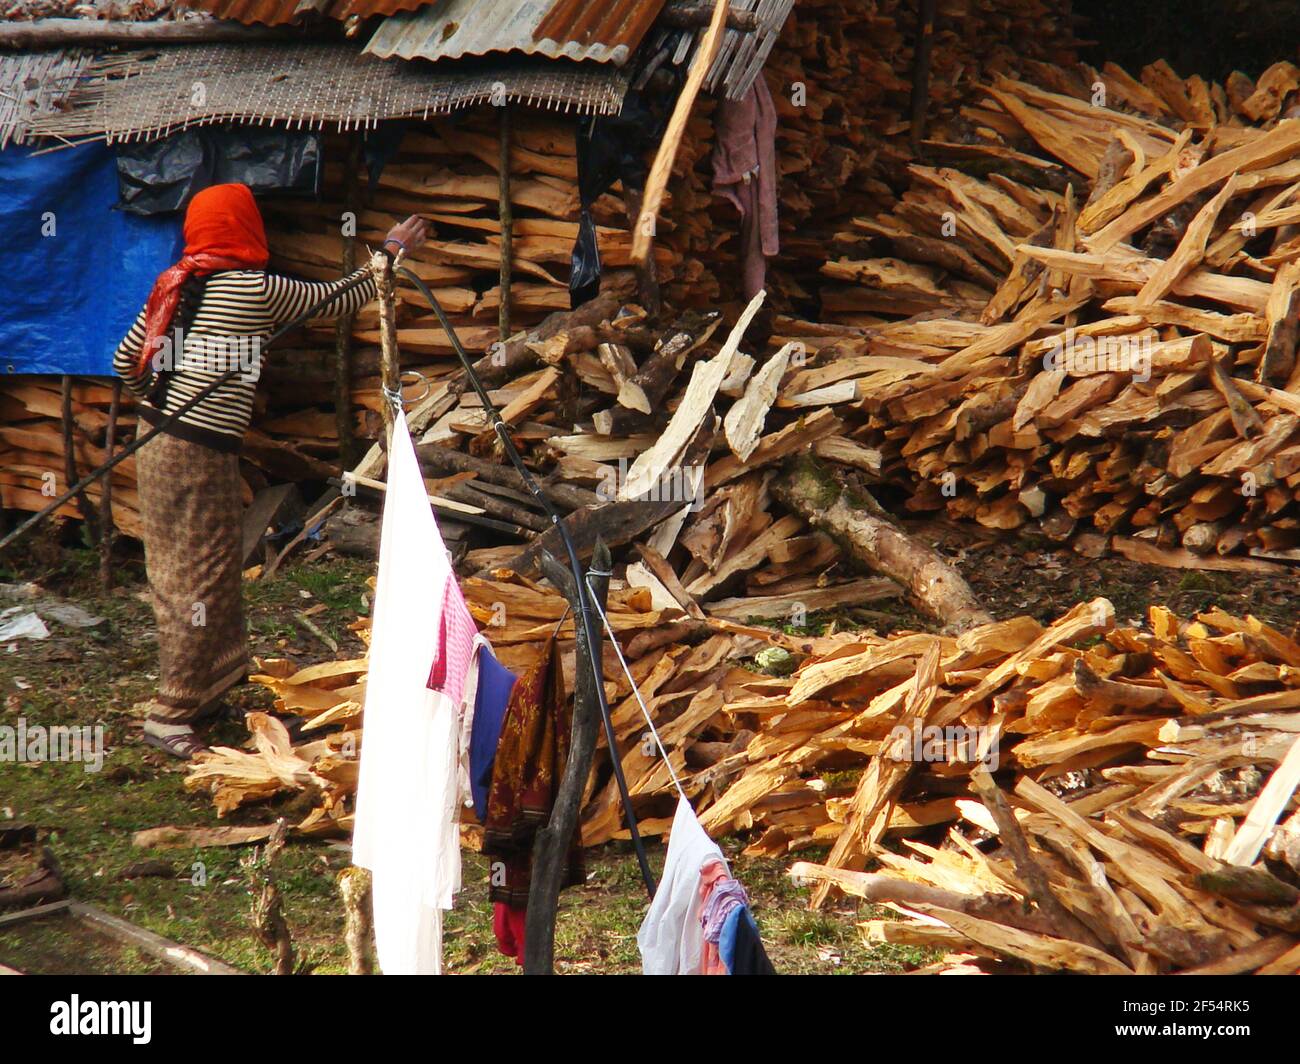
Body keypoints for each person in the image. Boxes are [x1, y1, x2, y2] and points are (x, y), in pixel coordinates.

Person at [112, 182, 428, 758]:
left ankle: (216, 685)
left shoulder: (179, 283)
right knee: (199, 573)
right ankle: (170, 712)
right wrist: (388, 252)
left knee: (195, 561)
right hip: (196, 447)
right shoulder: (251, 289)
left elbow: (124, 362)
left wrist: (165, 395)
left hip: (156, 438)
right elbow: (334, 298)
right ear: (245, 228)